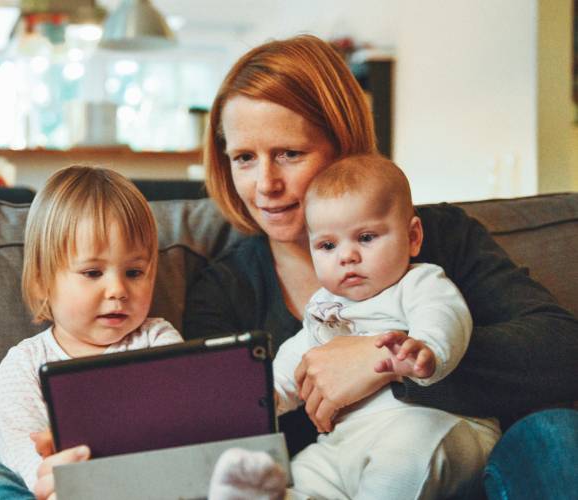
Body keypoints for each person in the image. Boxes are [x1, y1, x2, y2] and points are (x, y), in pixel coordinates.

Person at [181, 33, 578, 499]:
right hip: (329, 479)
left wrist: (384, 359)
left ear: (342, 146)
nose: (266, 183)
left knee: (555, 433)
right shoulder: (224, 289)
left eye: (290, 153)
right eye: (245, 158)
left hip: (472, 472)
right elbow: (221, 430)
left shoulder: (439, 237)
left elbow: (561, 350)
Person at [231, 153, 498, 498]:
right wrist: (265, 396)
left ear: (413, 237)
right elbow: (297, 358)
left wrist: (425, 348)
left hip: (435, 426)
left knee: (401, 459)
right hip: (346, 442)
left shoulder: (418, 283)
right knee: (300, 474)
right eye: (328, 245)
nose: (347, 256)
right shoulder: (323, 306)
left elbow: (444, 315)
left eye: (366, 238)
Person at [0, 165, 182, 498]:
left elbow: (181, 434)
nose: (117, 289)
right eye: (92, 272)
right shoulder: (23, 366)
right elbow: (23, 467)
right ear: (42, 281)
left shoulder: (158, 341)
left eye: (134, 271)